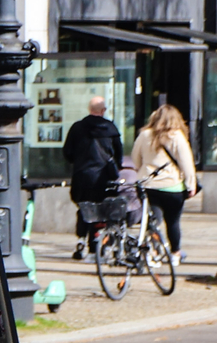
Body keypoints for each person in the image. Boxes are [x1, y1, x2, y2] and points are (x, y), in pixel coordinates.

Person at [133, 103, 200, 259]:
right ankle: (175, 253)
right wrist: (191, 185)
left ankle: (153, 250)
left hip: (148, 185)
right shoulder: (177, 137)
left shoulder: (144, 135)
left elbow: (136, 159)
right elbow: (186, 163)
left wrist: (142, 170)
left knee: (153, 221)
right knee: (173, 222)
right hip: (173, 186)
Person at [62, 96, 125, 253]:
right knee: (102, 210)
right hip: (104, 177)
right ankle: (96, 242)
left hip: (82, 176)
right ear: (103, 110)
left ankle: (81, 239)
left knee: (84, 208)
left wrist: (77, 162)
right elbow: (119, 155)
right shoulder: (111, 129)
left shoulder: (77, 128)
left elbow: (67, 152)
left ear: (89, 110)